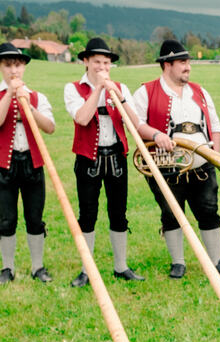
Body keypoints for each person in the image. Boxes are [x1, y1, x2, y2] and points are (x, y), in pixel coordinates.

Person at [132, 39, 220, 280]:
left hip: (201, 166)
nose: (188, 67)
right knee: (171, 214)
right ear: (167, 64)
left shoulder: (200, 91)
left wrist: (215, 156)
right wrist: (156, 136)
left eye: (188, 62)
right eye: (182, 62)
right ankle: (178, 263)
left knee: (210, 211)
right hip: (166, 167)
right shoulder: (145, 91)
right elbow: (136, 124)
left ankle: (216, 261)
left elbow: (215, 126)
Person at [64, 37, 145, 288]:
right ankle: (86, 270)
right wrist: (98, 89)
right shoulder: (73, 88)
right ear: (86, 62)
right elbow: (83, 118)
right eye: (97, 62)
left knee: (118, 213)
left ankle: (121, 266)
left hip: (116, 158)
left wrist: (118, 97)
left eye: (106, 63)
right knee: (87, 214)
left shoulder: (120, 87)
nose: (102, 68)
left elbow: (134, 124)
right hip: (89, 159)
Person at [0, 42, 55, 285]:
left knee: (35, 218)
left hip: (33, 164)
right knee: (6, 219)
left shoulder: (36, 96)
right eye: (8, 65)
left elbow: (50, 127)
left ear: (24, 68)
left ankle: (37, 266)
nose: (14, 70)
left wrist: (29, 107)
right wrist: (10, 94)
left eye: (18, 65)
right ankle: (7, 268)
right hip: (4, 164)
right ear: (1, 68)